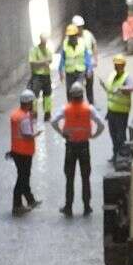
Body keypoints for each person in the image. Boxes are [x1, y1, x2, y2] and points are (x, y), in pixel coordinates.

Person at [49, 83, 105, 215]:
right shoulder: (89, 109)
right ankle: (87, 206)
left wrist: (62, 133)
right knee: (86, 177)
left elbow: (53, 122)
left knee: (69, 178)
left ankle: (68, 207)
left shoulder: (65, 109)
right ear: (82, 95)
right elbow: (101, 124)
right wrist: (94, 135)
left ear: (71, 96)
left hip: (70, 146)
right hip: (84, 146)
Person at [6, 89, 40, 213]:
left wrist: (33, 117)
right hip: (24, 152)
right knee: (23, 178)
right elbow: (27, 134)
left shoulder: (16, 114)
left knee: (23, 176)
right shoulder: (24, 118)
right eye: (32, 102)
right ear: (28, 103)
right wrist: (36, 134)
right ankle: (17, 206)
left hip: (16, 150)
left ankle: (30, 200)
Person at [103, 55, 133, 162]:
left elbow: (131, 87)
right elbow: (110, 89)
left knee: (121, 136)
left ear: (123, 65)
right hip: (111, 111)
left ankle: (122, 157)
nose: (117, 67)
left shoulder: (126, 77)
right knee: (113, 134)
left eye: (119, 65)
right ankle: (115, 154)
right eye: (116, 65)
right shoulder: (112, 75)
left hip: (121, 112)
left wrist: (121, 88)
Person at [55, 24, 94, 105]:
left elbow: (87, 57)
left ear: (76, 35)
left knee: (78, 89)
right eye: (70, 36)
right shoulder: (65, 43)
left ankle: (80, 108)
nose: (71, 38)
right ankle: (70, 107)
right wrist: (60, 70)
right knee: (69, 90)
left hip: (80, 71)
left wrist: (89, 69)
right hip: (69, 72)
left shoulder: (82, 43)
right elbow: (63, 57)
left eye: (73, 36)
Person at [26, 35, 54, 116]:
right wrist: (43, 62)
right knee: (35, 95)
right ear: (40, 40)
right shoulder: (34, 50)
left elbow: (50, 60)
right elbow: (32, 62)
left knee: (47, 95)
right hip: (37, 76)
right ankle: (34, 113)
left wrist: (40, 62)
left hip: (46, 76)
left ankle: (47, 113)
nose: (45, 42)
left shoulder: (48, 50)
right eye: (44, 40)